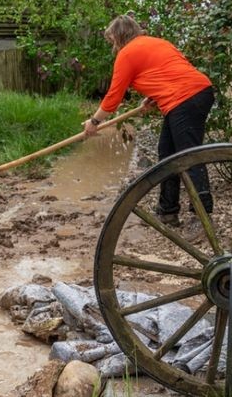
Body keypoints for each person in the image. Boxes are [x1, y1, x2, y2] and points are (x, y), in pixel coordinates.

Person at [83, 14, 215, 238]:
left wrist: (94, 122)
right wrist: (153, 97)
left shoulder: (127, 53)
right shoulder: (158, 42)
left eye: (112, 40)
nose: (113, 45)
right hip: (196, 93)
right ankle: (168, 211)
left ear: (119, 36)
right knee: (168, 154)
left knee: (189, 157)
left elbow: (114, 96)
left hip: (184, 99)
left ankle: (202, 219)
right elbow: (171, 73)